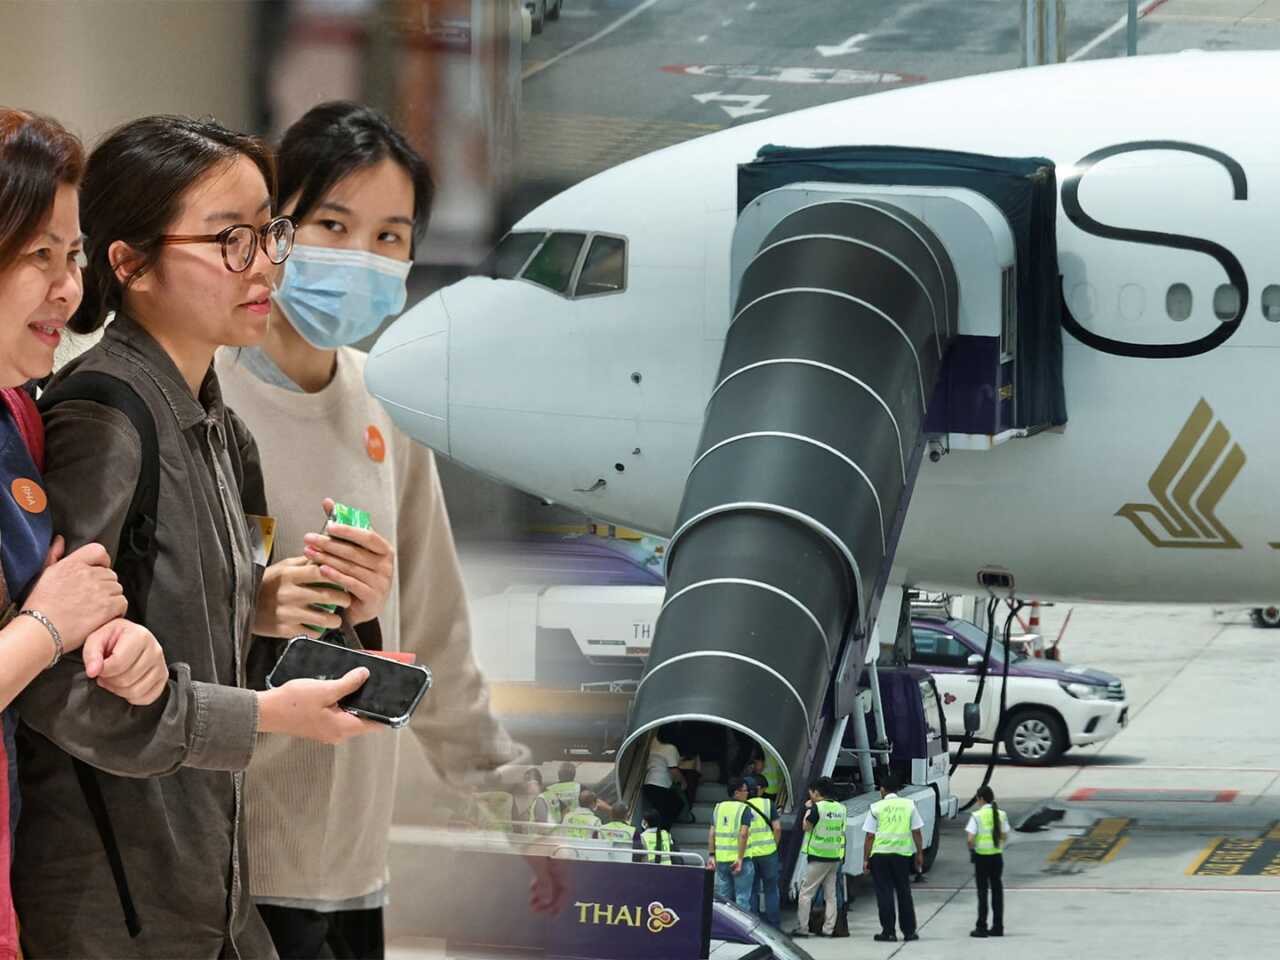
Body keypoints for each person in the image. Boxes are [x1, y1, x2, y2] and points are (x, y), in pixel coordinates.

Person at [14, 114, 379, 959]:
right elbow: (59, 688)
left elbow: (208, 639)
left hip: (207, 883)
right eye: (230, 240)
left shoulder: (222, 432)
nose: (265, 265)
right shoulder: (104, 414)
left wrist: (294, 607)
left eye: (269, 233)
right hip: (111, 902)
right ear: (130, 264)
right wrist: (263, 715)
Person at [214, 101, 517, 959]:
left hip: (349, 859)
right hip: (225, 858)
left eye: (390, 236)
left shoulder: (389, 404)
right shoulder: (204, 394)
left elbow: (437, 630)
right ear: (274, 229)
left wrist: (505, 793)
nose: (359, 257)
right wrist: (260, 600)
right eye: (332, 224)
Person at [0, 106, 171, 956]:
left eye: (72, 255)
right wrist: (47, 628)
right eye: (40, 255)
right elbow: (43, 618)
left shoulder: (20, 416)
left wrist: (115, 644)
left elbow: (68, 601)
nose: (70, 291)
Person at [863, 772, 923, 943]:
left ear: (882, 790)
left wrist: (866, 859)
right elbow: (916, 831)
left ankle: (888, 932)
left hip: (880, 855)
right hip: (902, 855)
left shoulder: (876, 807)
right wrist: (919, 853)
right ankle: (909, 931)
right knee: (904, 892)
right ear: (898, 790)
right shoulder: (909, 805)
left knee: (884, 893)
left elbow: (869, 836)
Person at [792, 777, 846, 939]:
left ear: (817, 792)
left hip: (818, 857)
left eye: (811, 793)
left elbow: (806, 827)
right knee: (831, 896)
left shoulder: (817, 809)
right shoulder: (841, 808)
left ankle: (803, 928)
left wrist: (808, 810)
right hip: (834, 856)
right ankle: (828, 929)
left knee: (806, 893)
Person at [967, 784, 1010, 938]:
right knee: (997, 892)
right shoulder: (1001, 814)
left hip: (981, 858)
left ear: (981, 799)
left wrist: (972, 850)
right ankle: (998, 926)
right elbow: (1005, 835)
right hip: (997, 857)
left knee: (982, 893)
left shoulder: (976, 816)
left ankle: (982, 926)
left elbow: (970, 839)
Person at [707, 777, 755, 911]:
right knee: (742, 899)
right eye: (745, 791)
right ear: (737, 792)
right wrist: (739, 858)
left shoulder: (718, 808)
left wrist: (711, 855)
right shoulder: (744, 809)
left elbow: (711, 833)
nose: (747, 793)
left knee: (723, 899)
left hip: (721, 860)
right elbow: (743, 834)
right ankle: (741, 929)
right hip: (740, 861)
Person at [745, 774, 782, 926]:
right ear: (759, 789)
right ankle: (774, 924)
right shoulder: (768, 804)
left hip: (750, 854)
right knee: (771, 890)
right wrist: (774, 846)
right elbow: (777, 828)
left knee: (752, 890)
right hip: (768, 853)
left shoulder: (742, 806)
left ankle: (755, 925)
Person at [642, 725, 685, 829]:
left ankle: (656, 832)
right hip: (661, 785)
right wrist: (683, 782)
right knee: (676, 805)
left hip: (648, 783)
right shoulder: (670, 748)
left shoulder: (652, 744)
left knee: (660, 811)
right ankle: (663, 833)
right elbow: (673, 770)